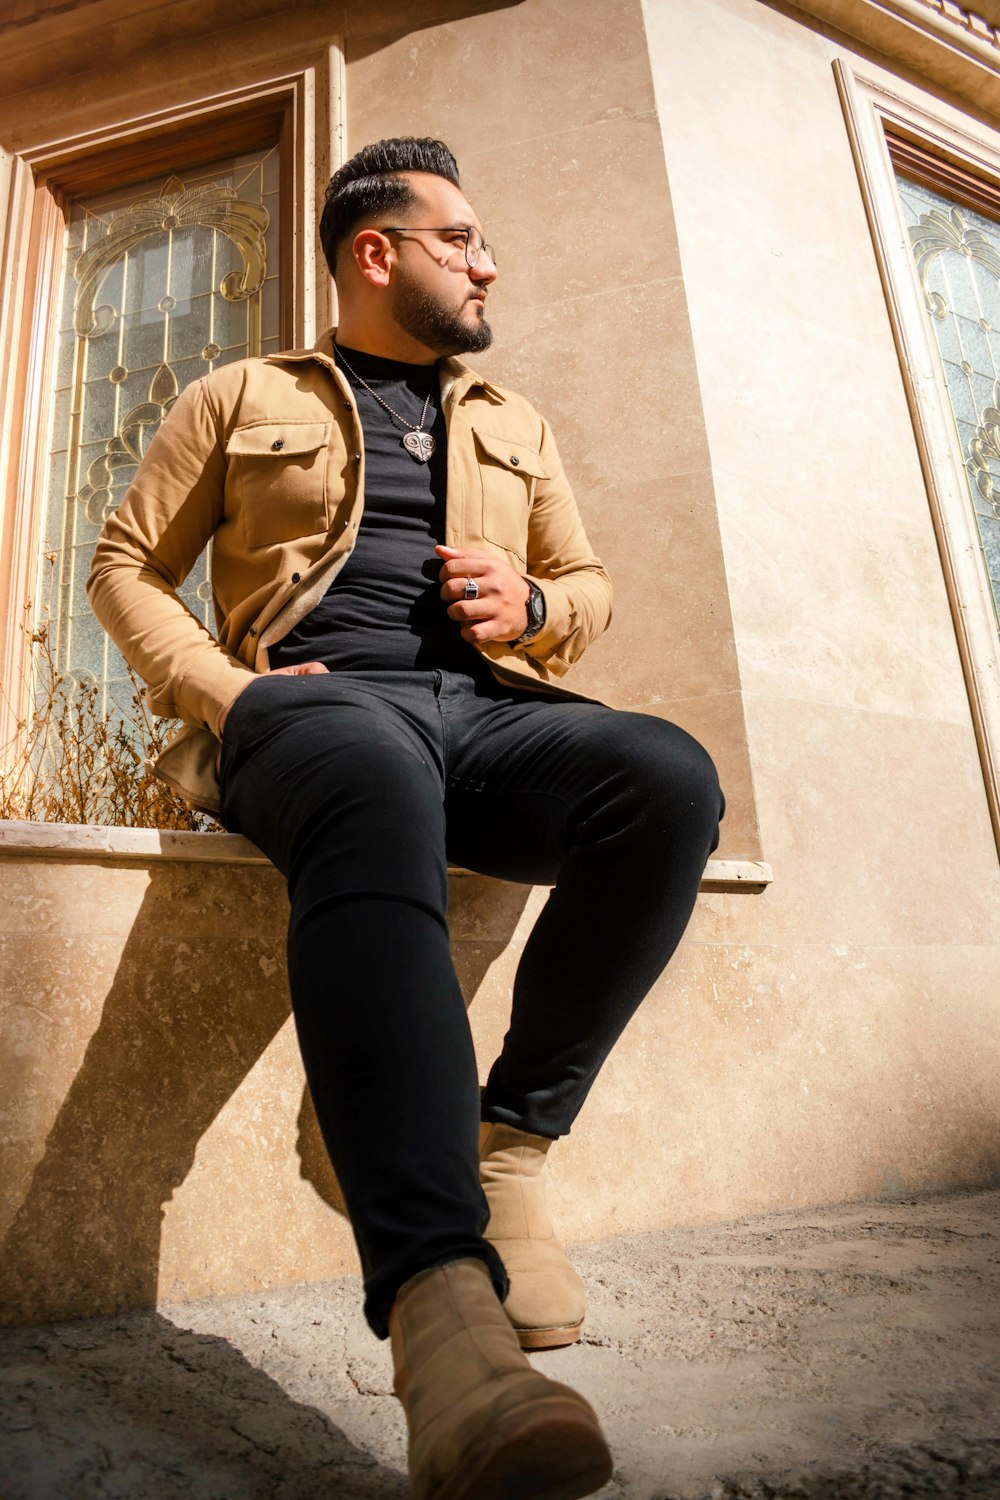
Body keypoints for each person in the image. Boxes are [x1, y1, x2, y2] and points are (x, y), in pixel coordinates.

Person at [88, 136, 724, 1500]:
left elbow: (587, 581)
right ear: (377, 252)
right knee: (376, 771)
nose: (489, 262)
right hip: (310, 713)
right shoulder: (239, 392)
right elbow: (126, 565)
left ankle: (511, 1142)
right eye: (462, 240)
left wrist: (538, 607)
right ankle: (445, 1322)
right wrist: (222, 694)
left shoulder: (512, 419)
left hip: (483, 711)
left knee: (667, 780)